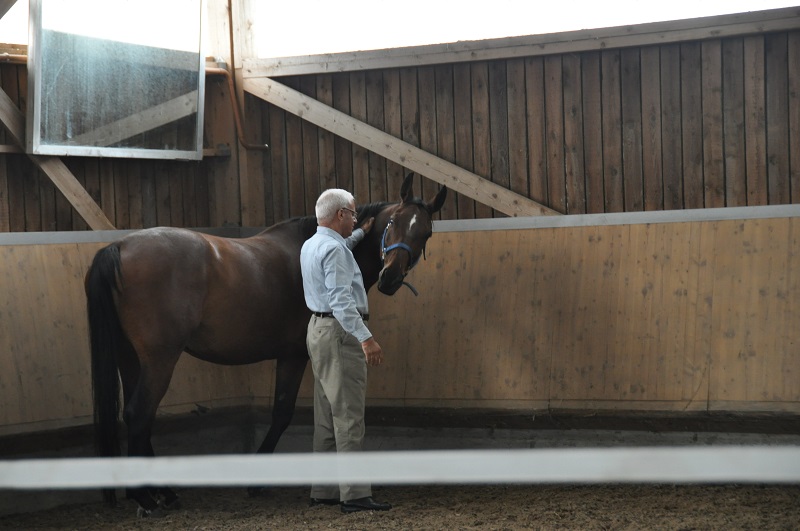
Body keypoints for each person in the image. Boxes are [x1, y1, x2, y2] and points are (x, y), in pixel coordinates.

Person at [300, 188, 392, 513]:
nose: (355, 217)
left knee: (326, 415)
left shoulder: (313, 244)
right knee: (350, 415)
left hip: (317, 331)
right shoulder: (334, 251)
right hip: (341, 334)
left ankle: (323, 489)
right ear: (340, 214)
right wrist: (365, 337)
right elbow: (341, 299)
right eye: (352, 213)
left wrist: (359, 233)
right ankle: (354, 494)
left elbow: (341, 249)